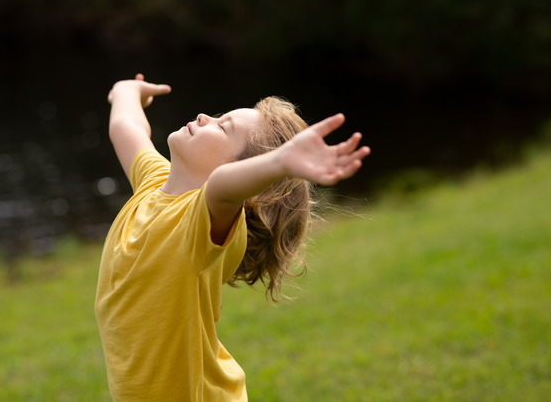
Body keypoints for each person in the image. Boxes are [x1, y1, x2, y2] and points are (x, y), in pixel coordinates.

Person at [95, 73, 370, 401]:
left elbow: (224, 187)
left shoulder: (201, 222)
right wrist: (127, 91)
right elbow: (127, 128)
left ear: (248, 188)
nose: (204, 117)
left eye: (223, 127)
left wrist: (280, 162)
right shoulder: (153, 181)